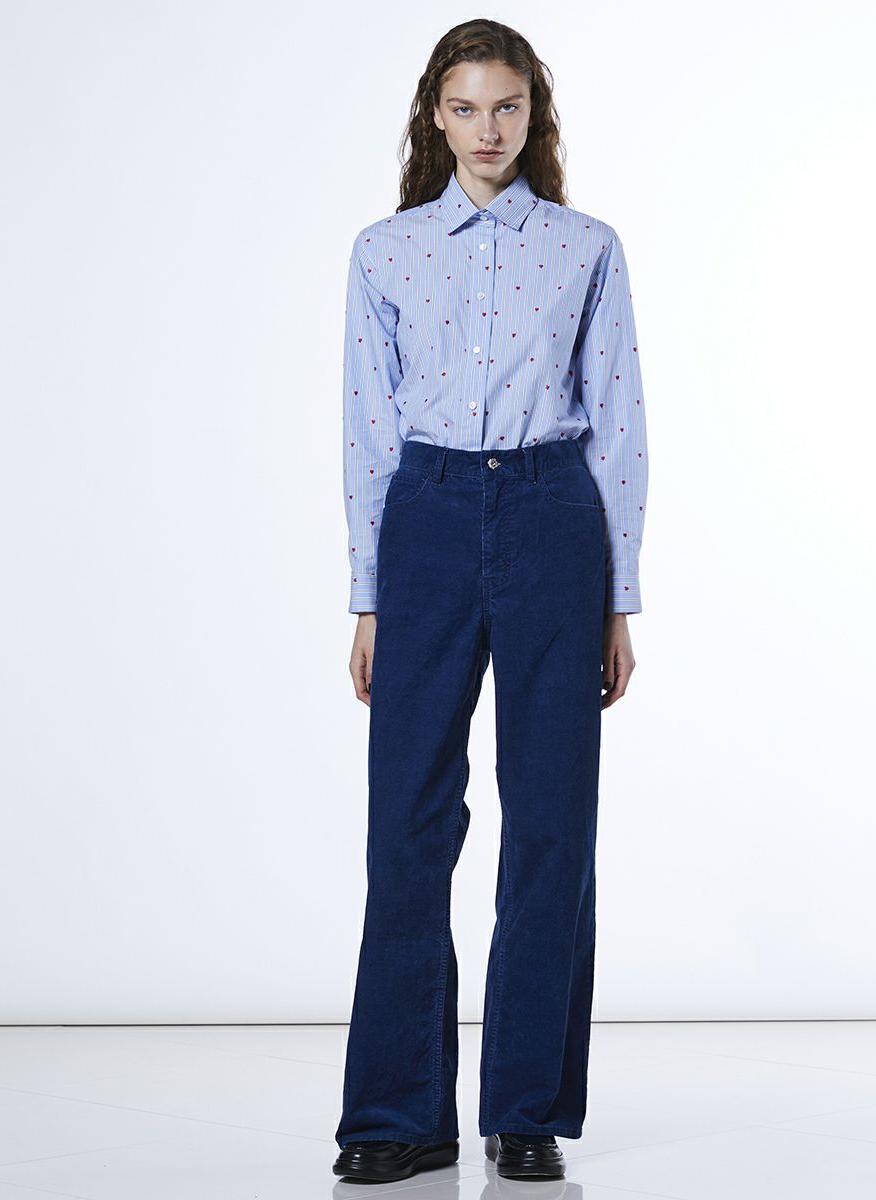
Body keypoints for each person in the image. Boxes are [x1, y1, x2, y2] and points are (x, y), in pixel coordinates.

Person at [332, 17, 648, 1185]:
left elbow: (616, 425)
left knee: (552, 817)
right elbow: (368, 430)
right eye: (464, 108)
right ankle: (396, 1114)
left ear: (533, 114)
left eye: (505, 106)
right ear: (435, 114)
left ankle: (526, 1111)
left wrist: (618, 598)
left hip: (553, 517)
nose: (486, 130)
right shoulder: (385, 252)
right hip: (423, 520)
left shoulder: (584, 248)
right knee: (408, 821)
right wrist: (368, 596)